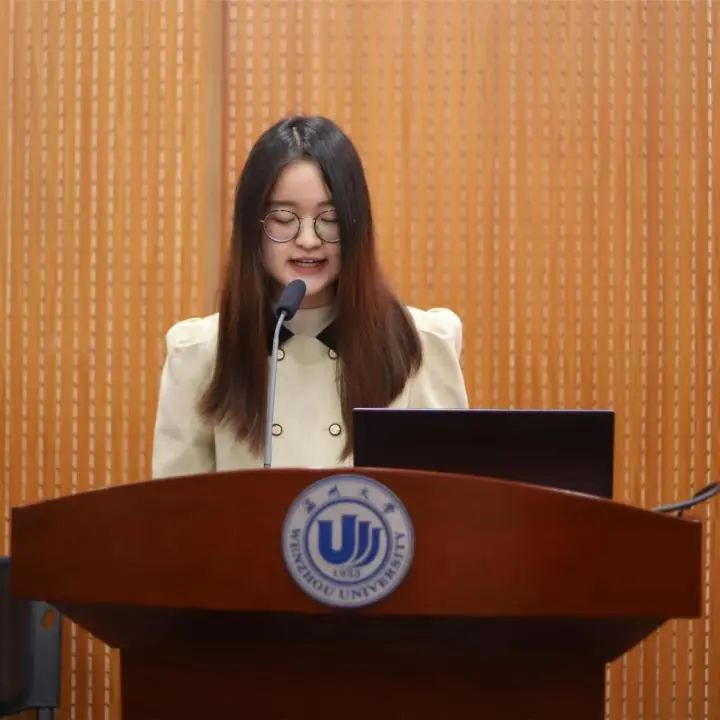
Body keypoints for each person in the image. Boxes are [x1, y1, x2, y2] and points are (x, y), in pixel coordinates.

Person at [152, 116, 468, 477]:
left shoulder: (422, 345)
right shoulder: (199, 355)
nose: (307, 240)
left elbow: (449, 501)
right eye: (283, 218)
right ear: (253, 228)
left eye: (329, 218)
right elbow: (178, 507)